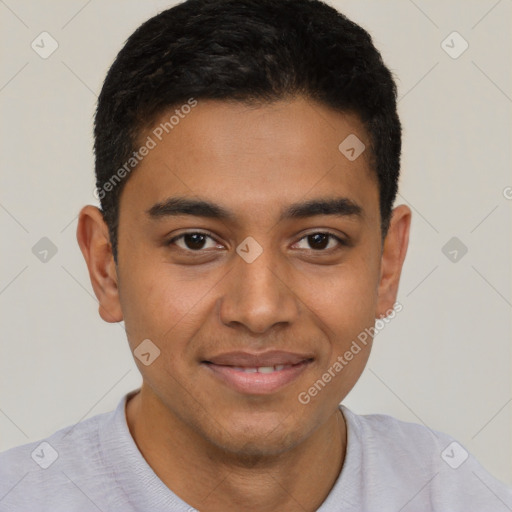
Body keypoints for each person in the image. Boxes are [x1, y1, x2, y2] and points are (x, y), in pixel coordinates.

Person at [1, 0, 510, 510]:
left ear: (387, 263)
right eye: (195, 241)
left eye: (318, 241)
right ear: (105, 265)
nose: (259, 309)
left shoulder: (459, 495)